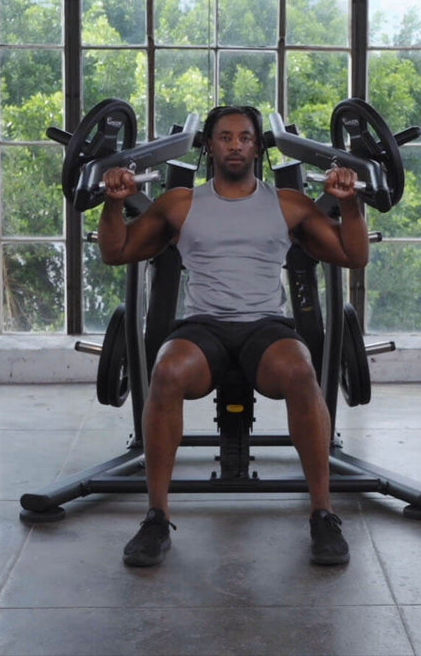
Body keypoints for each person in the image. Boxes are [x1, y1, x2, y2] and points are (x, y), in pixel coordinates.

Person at [97, 105, 369, 567]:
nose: (236, 145)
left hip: (266, 326)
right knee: (165, 373)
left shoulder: (288, 205)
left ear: (259, 147)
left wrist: (347, 203)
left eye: (245, 137)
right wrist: (113, 201)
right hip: (203, 327)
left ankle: (323, 514)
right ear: (209, 146)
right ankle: (157, 518)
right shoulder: (181, 204)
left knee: (303, 373)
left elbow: (353, 254)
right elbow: (116, 250)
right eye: (225, 137)